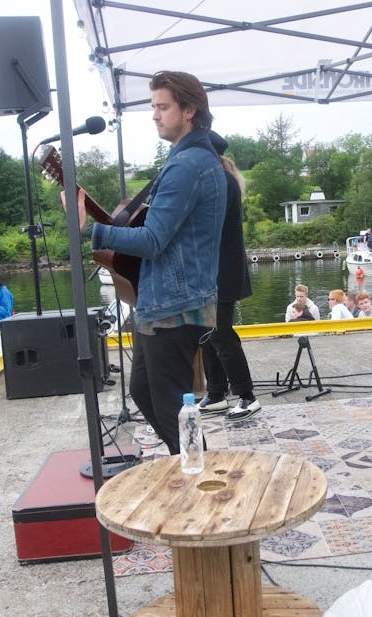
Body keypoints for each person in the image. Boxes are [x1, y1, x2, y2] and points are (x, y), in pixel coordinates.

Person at [77, 71, 227, 455]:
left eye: (163, 107)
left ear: (189, 110)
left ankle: (198, 477)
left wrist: (94, 231)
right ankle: (189, 464)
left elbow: (153, 239)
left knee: (172, 406)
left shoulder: (187, 165)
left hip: (174, 306)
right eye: (153, 107)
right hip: (165, 301)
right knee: (145, 392)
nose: (155, 115)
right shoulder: (192, 160)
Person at [198, 134, 261, 422]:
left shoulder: (220, 181)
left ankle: (247, 396)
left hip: (222, 271)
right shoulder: (220, 178)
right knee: (206, 334)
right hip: (213, 271)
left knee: (221, 335)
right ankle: (216, 394)